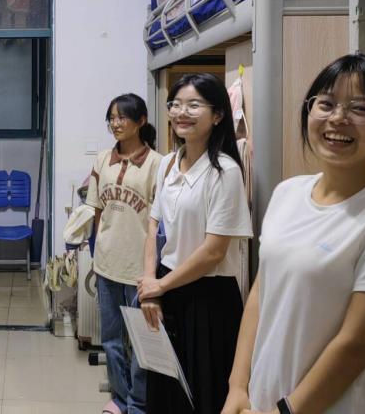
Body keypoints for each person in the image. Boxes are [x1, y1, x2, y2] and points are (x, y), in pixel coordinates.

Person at [223, 54, 365, 414]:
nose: (338, 118)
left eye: (360, 108)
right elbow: (261, 292)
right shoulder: (287, 192)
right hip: (259, 399)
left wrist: (286, 411)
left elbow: (357, 344)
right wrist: (238, 387)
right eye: (326, 104)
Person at [137, 73, 252, 413]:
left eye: (193, 105)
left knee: (202, 395)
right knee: (165, 392)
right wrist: (151, 285)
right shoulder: (168, 163)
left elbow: (214, 252)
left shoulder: (224, 172)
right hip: (166, 289)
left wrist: (159, 286)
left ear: (217, 115)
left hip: (208, 300)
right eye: (175, 104)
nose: (181, 112)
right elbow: (153, 227)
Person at [86, 93, 162, 414]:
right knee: (112, 340)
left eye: (122, 117)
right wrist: (96, 252)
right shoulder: (102, 160)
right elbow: (97, 212)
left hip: (139, 270)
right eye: (112, 118)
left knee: (142, 340)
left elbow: (158, 223)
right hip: (107, 265)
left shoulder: (157, 164)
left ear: (141, 121)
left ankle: (138, 403)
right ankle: (119, 398)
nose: (116, 124)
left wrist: (152, 272)